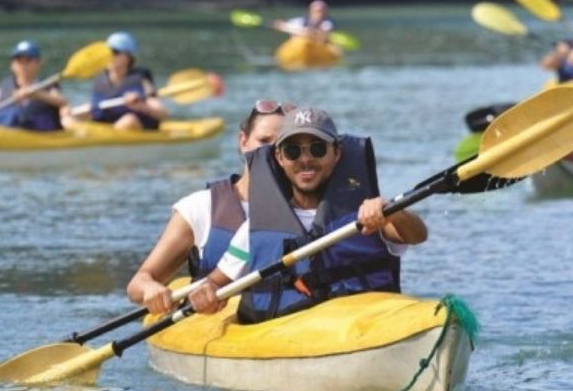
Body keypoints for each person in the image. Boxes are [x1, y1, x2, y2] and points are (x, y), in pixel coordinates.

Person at [185, 107, 428, 324]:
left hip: (365, 326)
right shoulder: (255, 229)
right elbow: (215, 283)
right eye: (293, 151)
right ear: (280, 158)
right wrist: (206, 293)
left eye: (317, 149)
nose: (305, 159)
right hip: (290, 337)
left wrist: (393, 213)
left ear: (336, 152)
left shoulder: (368, 215)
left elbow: (417, 235)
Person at [129, 101, 292, 316]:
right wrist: (151, 288)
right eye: (263, 141)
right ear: (243, 141)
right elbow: (138, 283)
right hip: (212, 320)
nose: (270, 151)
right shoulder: (199, 208)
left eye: (282, 144)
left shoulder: (306, 207)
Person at [0, 40, 67, 130]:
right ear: (12, 65)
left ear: (38, 63)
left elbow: (63, 102)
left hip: (41, 134)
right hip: (11, 134)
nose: (23, 66)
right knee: (10, 114)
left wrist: (36, 94)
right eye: (19, 61)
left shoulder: (47, 85)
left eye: (28, 61)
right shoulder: (5, 86)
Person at [84, 32, 168, 130]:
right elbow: (93, 109)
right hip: (105, 126)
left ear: (128, 57)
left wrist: (141, 106)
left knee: (128, 120)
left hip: (136, 126)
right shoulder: (100, 79)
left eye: (114, 52)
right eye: (106, 53)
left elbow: (163, 113)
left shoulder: (141, 80)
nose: (109, 56)